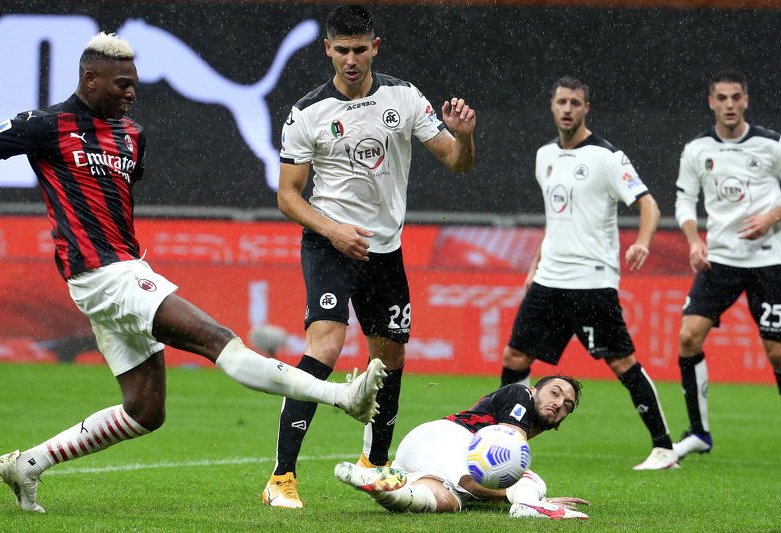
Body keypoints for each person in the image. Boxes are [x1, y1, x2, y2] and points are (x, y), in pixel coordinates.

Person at [0, 32, 386, 514]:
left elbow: (113, 201)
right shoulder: (44, 125)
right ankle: (343, 397)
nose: (132, 94)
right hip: (101, 275)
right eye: (123, 84)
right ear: (90, 79)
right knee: (219, 340)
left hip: (124, 270)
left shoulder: (131, 134)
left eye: (135, 85)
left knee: (145, 410)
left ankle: (27, 464)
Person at [267, 4, 476, 508]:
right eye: (342, 50)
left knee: (391, 358)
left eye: (360, 49)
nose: (351, 59)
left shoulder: (403, 98)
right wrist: (334, 230)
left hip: (385, 252)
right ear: (328, 51)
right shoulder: (307, 112)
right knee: (326, 345)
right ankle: (282, 476)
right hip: (330, 244)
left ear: (375, 47)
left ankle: (375, 464)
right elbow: (289, 196)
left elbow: (456, 163)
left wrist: (465, 136)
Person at [499, 76, 677, 470]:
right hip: (549, 279)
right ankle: (503, 439)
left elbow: (649, 205)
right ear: (552, 105)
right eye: (561, 102)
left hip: (592, 281)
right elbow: (554, 221)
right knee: (515, 355)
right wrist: (534, 267)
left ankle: (664, 448)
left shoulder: (607, 157)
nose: (567, 109)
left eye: (575, 103)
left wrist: (643, 241)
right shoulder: (544, 155)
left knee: (622, 363)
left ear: (585, 109)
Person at [673, 69, 781, 459]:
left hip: (770, 260)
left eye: (736, 97)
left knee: (778, 353)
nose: (730, 105)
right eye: (722, 98)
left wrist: (772, 217)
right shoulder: (697, 149)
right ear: (711, 102)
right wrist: (692, 239)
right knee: (688, 338)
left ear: (746, 100)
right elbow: (685, 201)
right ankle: (699, 432)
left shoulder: (771, 144)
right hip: (719, 259)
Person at [334, 375, 590, 519]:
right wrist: (528, 494)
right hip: (447, 438)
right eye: (554, 393)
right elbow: (507, 450)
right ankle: (528, 504)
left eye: (567, 405)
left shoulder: (525, 409)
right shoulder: (521, 394)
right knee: (530, 480)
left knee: (447, 501)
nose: (559, 403)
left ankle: (376, 485)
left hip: (427, 454)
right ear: (534, 390)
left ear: (559, 423)